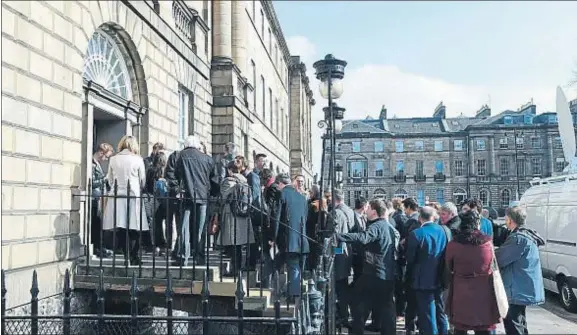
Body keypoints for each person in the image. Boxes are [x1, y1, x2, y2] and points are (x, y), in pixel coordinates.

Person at [336, 198, 399, 335]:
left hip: (374, 273)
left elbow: (364, 237)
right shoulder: (388, 227)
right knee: (386, 308)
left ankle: (357, 330)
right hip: (385, 274)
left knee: (358, 303)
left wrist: (340, 237)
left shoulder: (377, 226)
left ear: (375, 212)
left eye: (369, 208)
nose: (366, 211)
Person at [445, 210, 500, 335]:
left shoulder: (454, 244)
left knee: (460, 326)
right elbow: (492, 264)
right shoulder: (487, 242)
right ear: (477, 223)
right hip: (483, 289)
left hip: (461, 288)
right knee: (483, 326)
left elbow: (448, 266)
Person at [496, 206, 545, 335]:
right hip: (521, 286)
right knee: (520, 322)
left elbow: (500, 258)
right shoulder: (527, 234)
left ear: (510, 219)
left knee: (513, 324)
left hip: (516, 288)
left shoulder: (518, 238)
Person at [102, 135, 148, 266]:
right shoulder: (138, 160)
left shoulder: (113, 159)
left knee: (121, 227)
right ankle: (134, 256)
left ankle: (126, 255)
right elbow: (142, 180)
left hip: (117, 195)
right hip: (133, 195)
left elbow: (110, 179)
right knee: (135, 227)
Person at [174, 135, 218, 266]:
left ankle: (183, 256)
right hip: (203, 195)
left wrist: (177, 189)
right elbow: (214, 180)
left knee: (184, 227)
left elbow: (176, 174)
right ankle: (199, 257)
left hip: (186, 194)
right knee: (200, 228)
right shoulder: (207, 159)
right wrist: (214, 193)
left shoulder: (181, 156)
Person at [406, 206, 450, 335]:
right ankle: (443, 331)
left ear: (420, 218)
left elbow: (410, 258)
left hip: (422, 278)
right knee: (439, 309)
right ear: (433, 217)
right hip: (440, 275)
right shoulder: (443, 230)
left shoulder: (416, 233)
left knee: (427, 313)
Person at [271, 173, 309, 302]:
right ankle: (287, 291)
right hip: (301, 238)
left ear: (280, 183)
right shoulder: (302, 198)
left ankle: (293, 296)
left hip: (288, 239)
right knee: (290, 266)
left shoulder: (282, 194)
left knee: (292, 267)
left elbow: (276, 218)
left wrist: (273, 237)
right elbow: (305, 218)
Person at [217, 160, 256, 276]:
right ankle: (238, 268)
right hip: (243, 215)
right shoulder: (245, 181)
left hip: (231, 215)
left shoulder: (228, 181)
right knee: (238, 245)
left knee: (233, 245)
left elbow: (223, 197)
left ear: (229, 170)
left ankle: (235, 269)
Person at [328, 189, 356, 328]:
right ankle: (344, 313)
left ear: (334, 199)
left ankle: (342, 315)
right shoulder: (350, 211)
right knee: (343, 284)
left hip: (339, 252)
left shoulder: (335, 212)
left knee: (338, 286)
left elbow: (334, 235)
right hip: (347, 252)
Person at [400, 197, 421, 334]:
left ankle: (410, 327)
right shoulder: (420, 220)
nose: (404, 211)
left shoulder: (412, 222)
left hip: (412, 266)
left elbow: (406, 244)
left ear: (408, 207)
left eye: (404, 208)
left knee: (411, 299)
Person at [91, 143, 114, 258]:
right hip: (94, 197)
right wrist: (104, 180)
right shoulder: (92, 164)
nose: (106, 159)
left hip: (99, 197)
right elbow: (91, 183)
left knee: (99, 223)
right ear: (101, 153)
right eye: (106, 156)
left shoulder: (97, 164)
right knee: (95, 224)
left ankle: (100, 247)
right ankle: (97, 248)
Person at [144, 151, 169, 255]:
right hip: (163, 199)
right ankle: (163, 244)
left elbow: (146, 184)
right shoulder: (165, 171)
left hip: (151, 198)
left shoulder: (150, 170)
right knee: (162, 223)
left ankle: (152, 244)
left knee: (152, 223)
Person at [305, 184, 327, 273]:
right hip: (319, 233)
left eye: (310, 192)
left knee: (312, 257)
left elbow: (308, 219)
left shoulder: (314, 204)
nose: (309, 193)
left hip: (313, 233)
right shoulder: (323, 202)